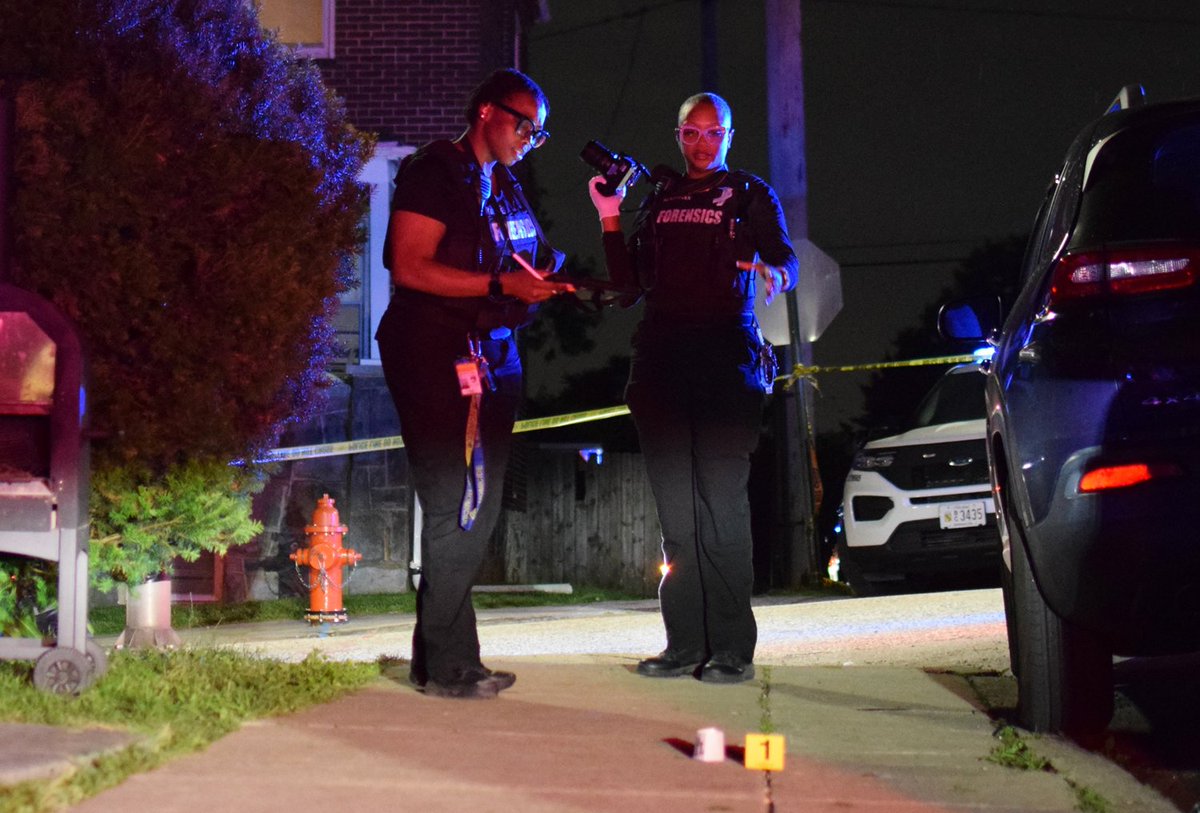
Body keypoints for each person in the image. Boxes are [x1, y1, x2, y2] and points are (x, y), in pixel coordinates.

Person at [587, 92, 799, 684]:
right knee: (677, 516)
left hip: (727, 362)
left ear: (730, 136)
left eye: (713, 133)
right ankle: (683, 645)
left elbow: (785, 259)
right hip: (661, 363)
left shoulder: (750, 193)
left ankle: (731, 649)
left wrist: (776, 274)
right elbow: (628, 287)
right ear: (677, 136)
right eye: (691, 133)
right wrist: (609, 214)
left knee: (722, 508)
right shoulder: (660, 197)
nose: (702, 144)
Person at [376, 69, 573, 699]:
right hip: (435, 351)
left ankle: (445, 658)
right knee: (452, 504)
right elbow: (408, 265)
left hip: (494, 354)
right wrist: (497, 285)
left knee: (476, 509)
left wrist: (562, 277)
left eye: (538, 133)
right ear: (487, 111)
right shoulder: (435, 171)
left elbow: (534, 257)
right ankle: (447, 666)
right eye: (525, 124)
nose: (529, 139)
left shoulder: (505, 184)